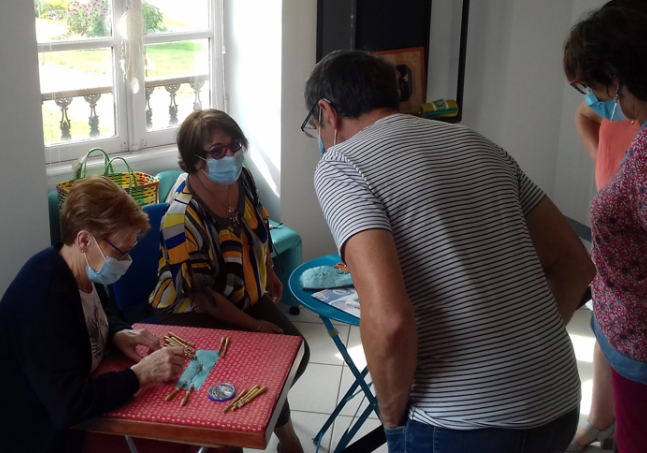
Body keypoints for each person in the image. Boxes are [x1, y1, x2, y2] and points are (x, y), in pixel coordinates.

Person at [304, 50, 595, 453]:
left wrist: (392, 419)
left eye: (314, 126)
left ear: (326, 112)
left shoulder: (342, 163)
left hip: (463, 425)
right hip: (559, 399)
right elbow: (576, 265)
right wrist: (531, 346)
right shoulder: (477, 142)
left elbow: (388, 320)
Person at [149, 109, 309, 453]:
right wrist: (254, 326)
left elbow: (257, 226)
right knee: (243, 374)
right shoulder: (180, 215)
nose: (230, 155)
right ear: (195, 162)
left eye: (235, 145)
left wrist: (267, 269)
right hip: (189, 308)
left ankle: (280, 435)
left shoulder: (243, 178)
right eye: (217, 150)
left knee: (296, 354)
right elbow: (202, 297)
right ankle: (230, 438)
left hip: (237, 292)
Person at [0, 176, 186, 453]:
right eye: (121, 251)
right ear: (84, 240)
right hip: (41, 436)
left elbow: (99, 315)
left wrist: (117, 332)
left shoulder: (78, 270)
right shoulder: (44, 300)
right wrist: (141, 374)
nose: (126, 262)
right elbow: (69, 405)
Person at [564, 6, 647, 453]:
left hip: (640, 337)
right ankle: (602, 423)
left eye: (593, 85)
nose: (593, 97)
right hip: (623, 325)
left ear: (618, 75)